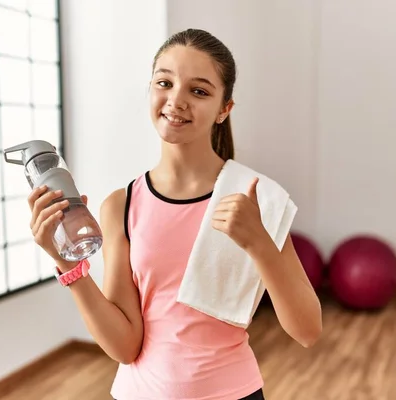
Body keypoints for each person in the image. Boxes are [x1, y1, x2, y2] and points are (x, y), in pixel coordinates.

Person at [27, 28, 322, 400]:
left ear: (224, 109)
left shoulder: (255, 196)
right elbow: (125, 347)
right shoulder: (122, 204)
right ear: (150, 90)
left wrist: (260, 244)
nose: (176, 100)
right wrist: (64, 260)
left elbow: (308, 331)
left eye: (198, 91)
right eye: (164, 82)